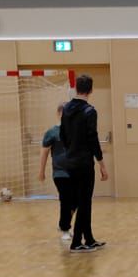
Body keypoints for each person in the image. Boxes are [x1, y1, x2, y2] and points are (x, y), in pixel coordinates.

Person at [59, 74, 108, 251]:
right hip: (84, 163)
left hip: (70, 162)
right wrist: (101, 164)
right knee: (85, 202)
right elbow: (92, 139)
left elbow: (63, 135)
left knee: (81, 201)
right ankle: (77, 242)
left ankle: (89, 239)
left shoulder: (66, 109)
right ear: (91, 90)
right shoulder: (90, 111)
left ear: (77, 88)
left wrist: (70, 152)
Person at [38, 101, 74, 241]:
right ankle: (65, 229)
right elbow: (44, 152)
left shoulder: (75, 131)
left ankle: (63, 223)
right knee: (65, 199)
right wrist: (41, 171)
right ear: (59, 114)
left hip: (75, 171)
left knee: (76, 200)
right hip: (60, 173)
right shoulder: (52, 132)